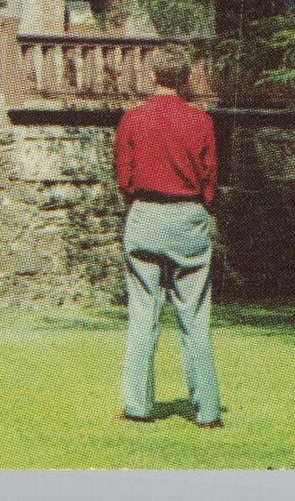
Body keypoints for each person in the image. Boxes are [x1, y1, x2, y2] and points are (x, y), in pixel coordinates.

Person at [114, 47, 223, 428]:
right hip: (188, 215)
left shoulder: (133, 119)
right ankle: (208, 410)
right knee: (194, 316)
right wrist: (201, 206)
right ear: (186, 78)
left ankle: (138, 405)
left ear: (152, 75)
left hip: (145, 213)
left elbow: (124, 176)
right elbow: (210, 176)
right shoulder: (200, 120)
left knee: (143, 314)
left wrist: (140, 202)